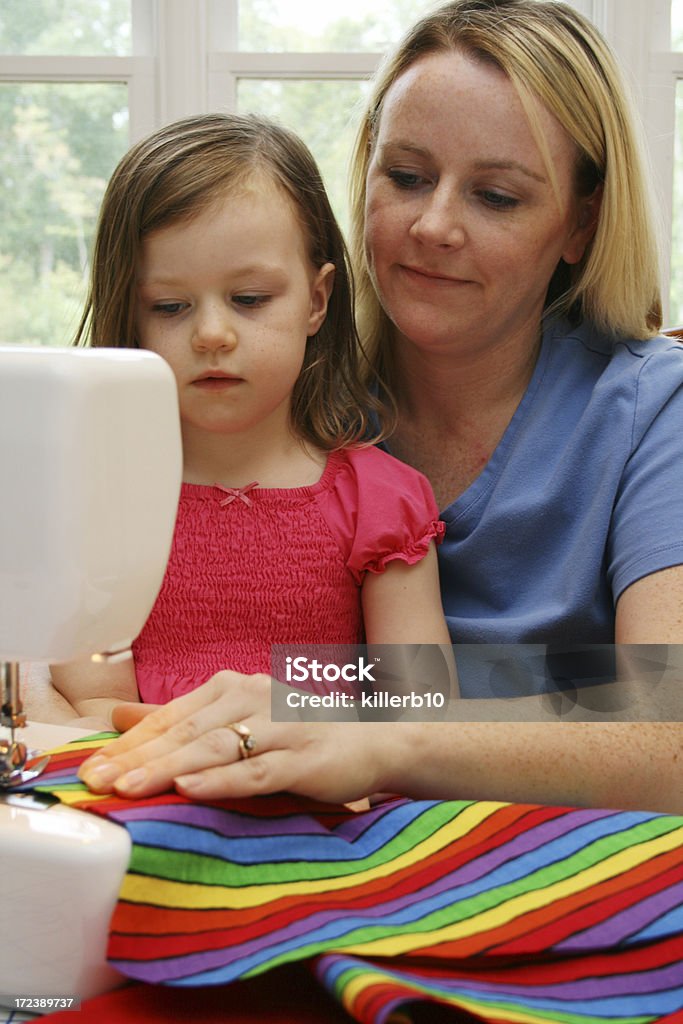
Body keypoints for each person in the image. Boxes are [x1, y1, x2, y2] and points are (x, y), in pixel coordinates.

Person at [77, 0, 683, 814]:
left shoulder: (650, 410)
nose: (433, 225)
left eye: (496, 196)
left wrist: (368, 727)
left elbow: (667, 729)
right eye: (404, 177)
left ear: (580, 222)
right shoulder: (270, 401)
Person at [45, 112, 454, 730]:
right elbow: (93, 702)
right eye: (170, 306)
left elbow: (418, 703)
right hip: (140, 796)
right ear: (132, 314)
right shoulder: (100, 502)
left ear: (316, 301)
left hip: (328, 803)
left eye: (250, 299)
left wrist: (303, 721)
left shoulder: (379, 501)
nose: (212, 333)